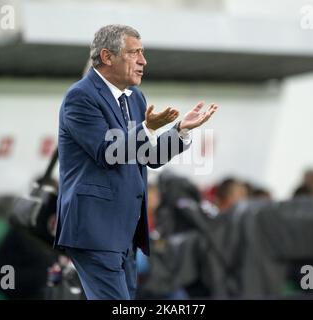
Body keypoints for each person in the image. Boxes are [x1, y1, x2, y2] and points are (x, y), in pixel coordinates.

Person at [54, 24, 218, 300]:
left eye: (142, 52)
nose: (144, 61)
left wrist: (180, 131)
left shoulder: (135, 98)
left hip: (126, 232)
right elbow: (107, 152)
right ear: (107, 56)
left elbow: (149, 156)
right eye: (134, 53)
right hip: (94, 230)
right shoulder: (80, 97)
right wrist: (147, 129)